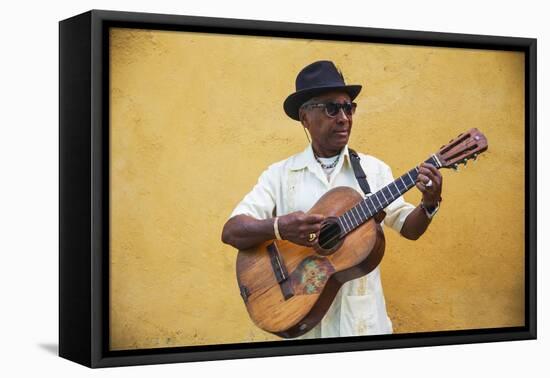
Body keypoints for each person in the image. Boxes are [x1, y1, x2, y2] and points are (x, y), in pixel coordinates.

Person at [221, 60, 442, 338]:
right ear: (305, 118)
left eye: (349, 108)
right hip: (303, 332)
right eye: (331, 108)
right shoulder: (279, 175)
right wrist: (279, 227)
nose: (344, 118)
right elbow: (232, 231)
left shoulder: (374, 171)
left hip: (362, 329)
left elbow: (409, 228)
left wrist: (430, 203)